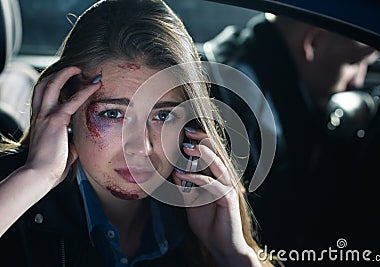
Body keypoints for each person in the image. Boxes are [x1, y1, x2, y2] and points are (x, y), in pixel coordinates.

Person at [0, 1, 282, 266]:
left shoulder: (202, 212)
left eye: (163, 116)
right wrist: (36, 177)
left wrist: (234, 254)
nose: (142, 148)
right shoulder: (13, 191)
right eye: (113, 114)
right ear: (66, 106)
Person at [199, 12, 380, 253]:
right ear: (313, 43)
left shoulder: (249, 75)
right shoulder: (238, 115)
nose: (358, 81)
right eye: (354, 63)